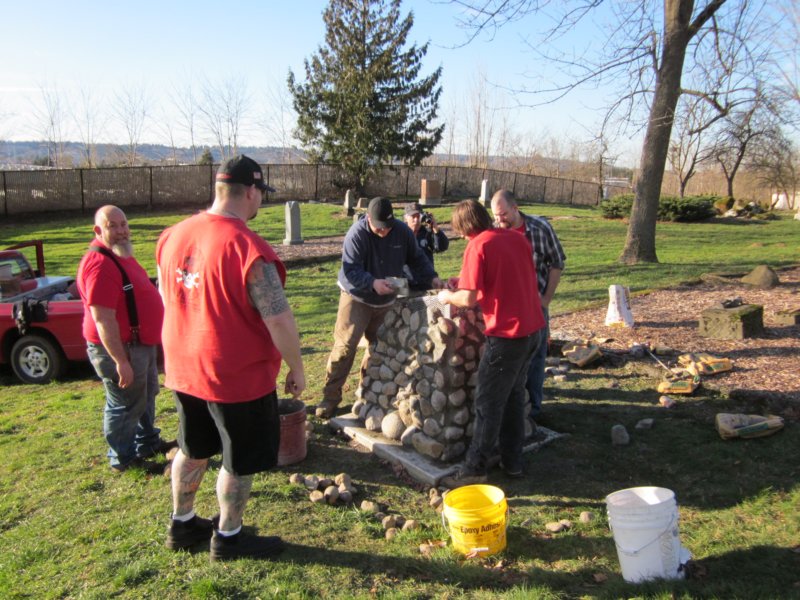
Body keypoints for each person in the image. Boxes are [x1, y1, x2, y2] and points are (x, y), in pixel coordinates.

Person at [156, 155, 306, 561]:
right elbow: (279, 319)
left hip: (184, 368)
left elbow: (168, 297)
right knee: (237, 461)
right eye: (261, 195)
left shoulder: (172, 236)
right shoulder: (247, 247)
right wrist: (296, 366)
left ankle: (182, 523)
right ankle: (229, 536)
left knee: (192, 447)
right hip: (234, 375)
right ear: (252, 191)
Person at [437, 199, 545, 487]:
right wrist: (464, 279)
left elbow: (469, 299)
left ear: (464, 227)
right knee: (511, 396)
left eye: (459, 231)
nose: (460, 237)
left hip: (507, 336)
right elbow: (504, 275)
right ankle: (513, 461)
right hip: (533, 331)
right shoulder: (515, 237)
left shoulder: (477, 245)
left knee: (487, 403)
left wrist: (448, 296)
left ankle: (475, 468)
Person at [316, 196, 444, 419]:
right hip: (356, 296)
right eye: (379, 228)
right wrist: (372, 283)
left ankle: (365, 393)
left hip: (386, 299)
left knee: (378, 349)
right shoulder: (356, 234)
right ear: (368, 219)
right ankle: (330, 398)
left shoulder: (402, 231)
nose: (384, 232)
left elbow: (417, 258)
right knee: (346, 347)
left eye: (387, 227)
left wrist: (432, 278)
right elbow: (350, 271)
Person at [76, 205, 176, 474]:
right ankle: (122, 459)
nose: (121, 231)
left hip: (140, 344)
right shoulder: (99, 265)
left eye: (124, 224)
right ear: (99, 230)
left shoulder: (120, 255)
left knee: (145, 395)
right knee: (124, 404)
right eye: (113, 226)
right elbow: (103, 319)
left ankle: (148, 442)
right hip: (120, 349)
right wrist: (120, 361)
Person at [491, 189, 566, 420]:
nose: (499, 220)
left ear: (515, 208)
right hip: (506, 310)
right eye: (495, 215)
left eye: (503, 214)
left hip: (534, 306)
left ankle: (532, 410)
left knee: (536, 356)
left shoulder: (540, 228)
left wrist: (546, 299)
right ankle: (512, 407)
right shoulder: (495, 233)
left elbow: (557, 262)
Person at [402, 202, 449, 289]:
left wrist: (435, 228)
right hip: (406, 283)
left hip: (426, 282)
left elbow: (442, 247)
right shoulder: (401, 233)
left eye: (418, 216)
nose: (416, 220)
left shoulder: (427, 233)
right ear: (406, 217)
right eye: (413, 216)